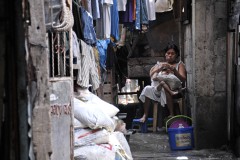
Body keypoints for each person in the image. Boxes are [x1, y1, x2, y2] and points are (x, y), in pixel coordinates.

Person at [139, 43, 187, 123]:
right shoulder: (160, 64)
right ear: (165, 54)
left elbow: (183, 79)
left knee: (166, 86)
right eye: (168, 53)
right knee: (147, 88)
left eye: (172, 53)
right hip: (157, 89)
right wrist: (159, 69)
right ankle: (145, 115)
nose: (170, 55)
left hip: (172, 89)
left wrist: (174, 70)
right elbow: (151, 75)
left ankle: (171, 114)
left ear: (176, 55)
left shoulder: (179, 64)